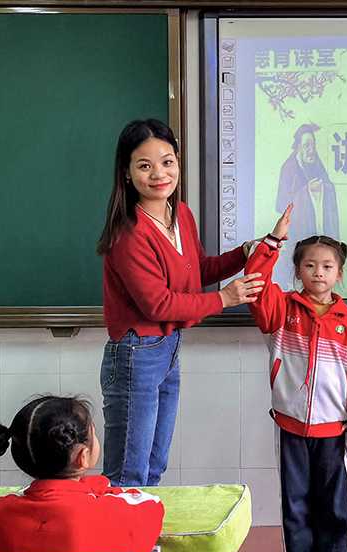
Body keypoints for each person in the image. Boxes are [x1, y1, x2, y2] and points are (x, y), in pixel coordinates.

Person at [96, 118, 264, 487]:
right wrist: (225, 298)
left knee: (154, 465)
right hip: (136, 354)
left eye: (167, 161)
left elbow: (195, 270)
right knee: (128, 473)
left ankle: (146, 543)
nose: (159, 173)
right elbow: (158, 304)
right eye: (144, 165)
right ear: (126, 173)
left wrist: (245, 252)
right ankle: (123, 546)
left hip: (167, 348)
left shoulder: (180, 213)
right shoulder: (129, 232)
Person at [245, 205, 347, 552]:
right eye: (310, 265)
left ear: (339, 273)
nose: (318, 272)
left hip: (335, 429)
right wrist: (274, 241)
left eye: (327, 266)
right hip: (291, 425)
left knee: (335, 500)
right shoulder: (280, 310)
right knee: (296, 497)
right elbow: (254, 279)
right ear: (297, 270)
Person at [0, 396, 164, 552]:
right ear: (83, 457)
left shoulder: (4, 512)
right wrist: (96, 487)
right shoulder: (117, 513)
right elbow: (153, 503)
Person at [273, 123, 339, 289]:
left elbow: (329, 186)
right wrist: (306, 192)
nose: (311, 149)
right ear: (298, 148)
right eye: (307, 145)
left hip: (318, 231)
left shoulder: (316, 162)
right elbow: (282, 203)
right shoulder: (289, 168)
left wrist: (323, 188)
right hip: (297, 235)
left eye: (313, 145)